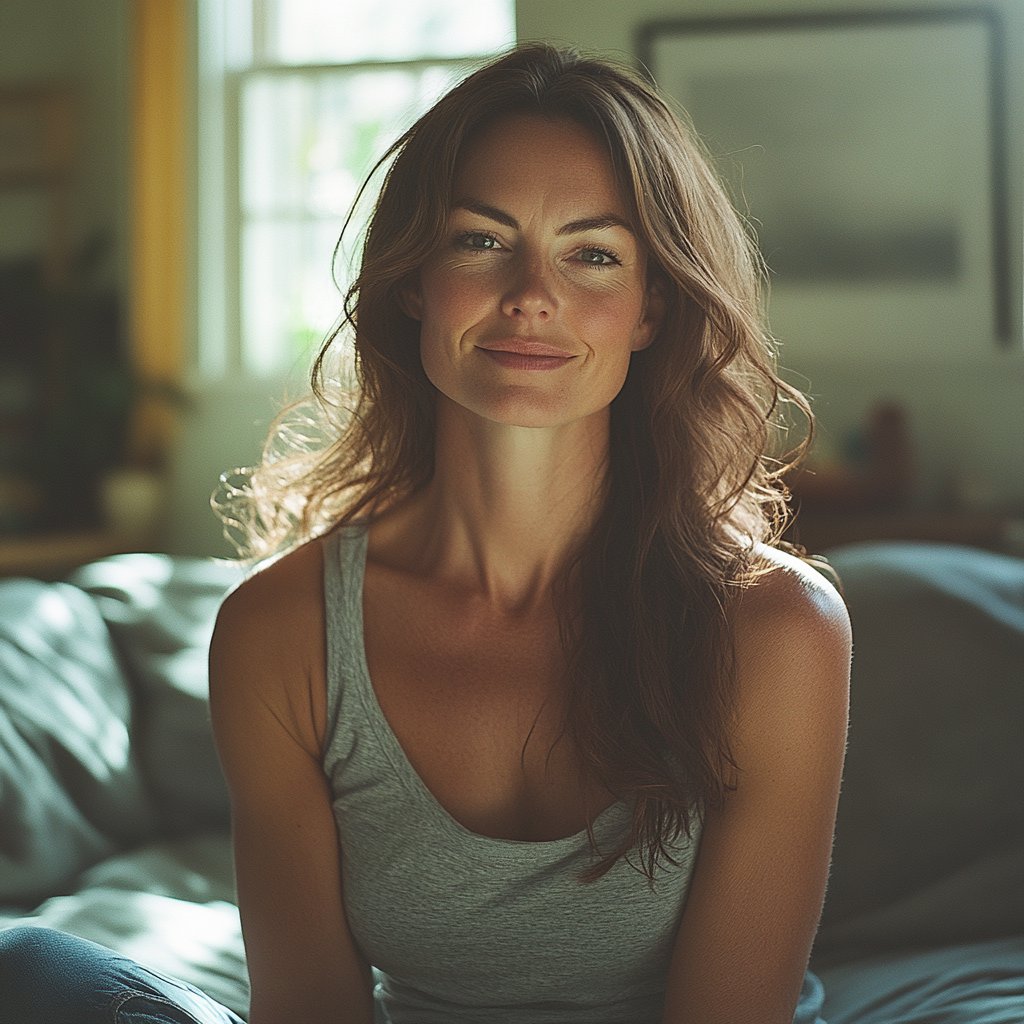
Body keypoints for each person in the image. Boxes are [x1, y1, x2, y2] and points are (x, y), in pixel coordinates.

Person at [0, 43, 850, 1024]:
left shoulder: (775, 631)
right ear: (412, 281)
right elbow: (312, 1007)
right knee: (34, 968)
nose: (532, 291)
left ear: (651, 307)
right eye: (482, 241)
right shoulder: (280, 631)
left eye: (592, 253)